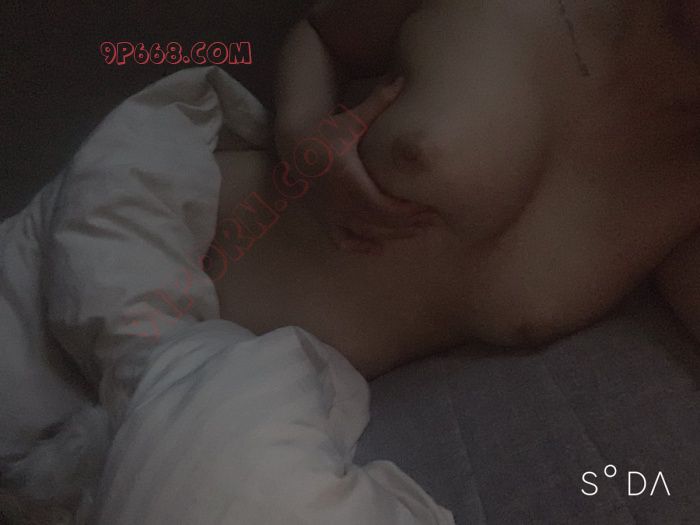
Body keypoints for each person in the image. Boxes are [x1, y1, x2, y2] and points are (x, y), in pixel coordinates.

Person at [209, 0, 700, 378]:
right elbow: (322, 31)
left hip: (271, 403)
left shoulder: (684, 190)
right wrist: (301, 133)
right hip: (190, 237)